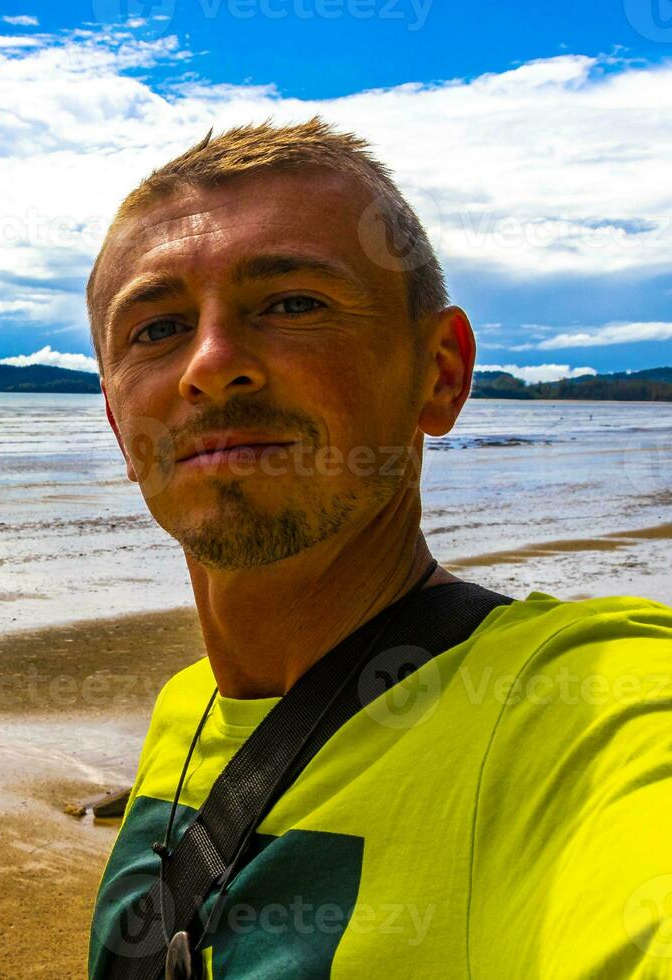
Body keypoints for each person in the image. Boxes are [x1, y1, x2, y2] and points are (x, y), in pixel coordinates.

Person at [86, 117, 672, 978]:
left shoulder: (569, 708)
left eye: (292, 304)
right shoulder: (186, 708)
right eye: (157, 328)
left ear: (439, 373)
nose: (209, 364)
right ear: (116, 422)